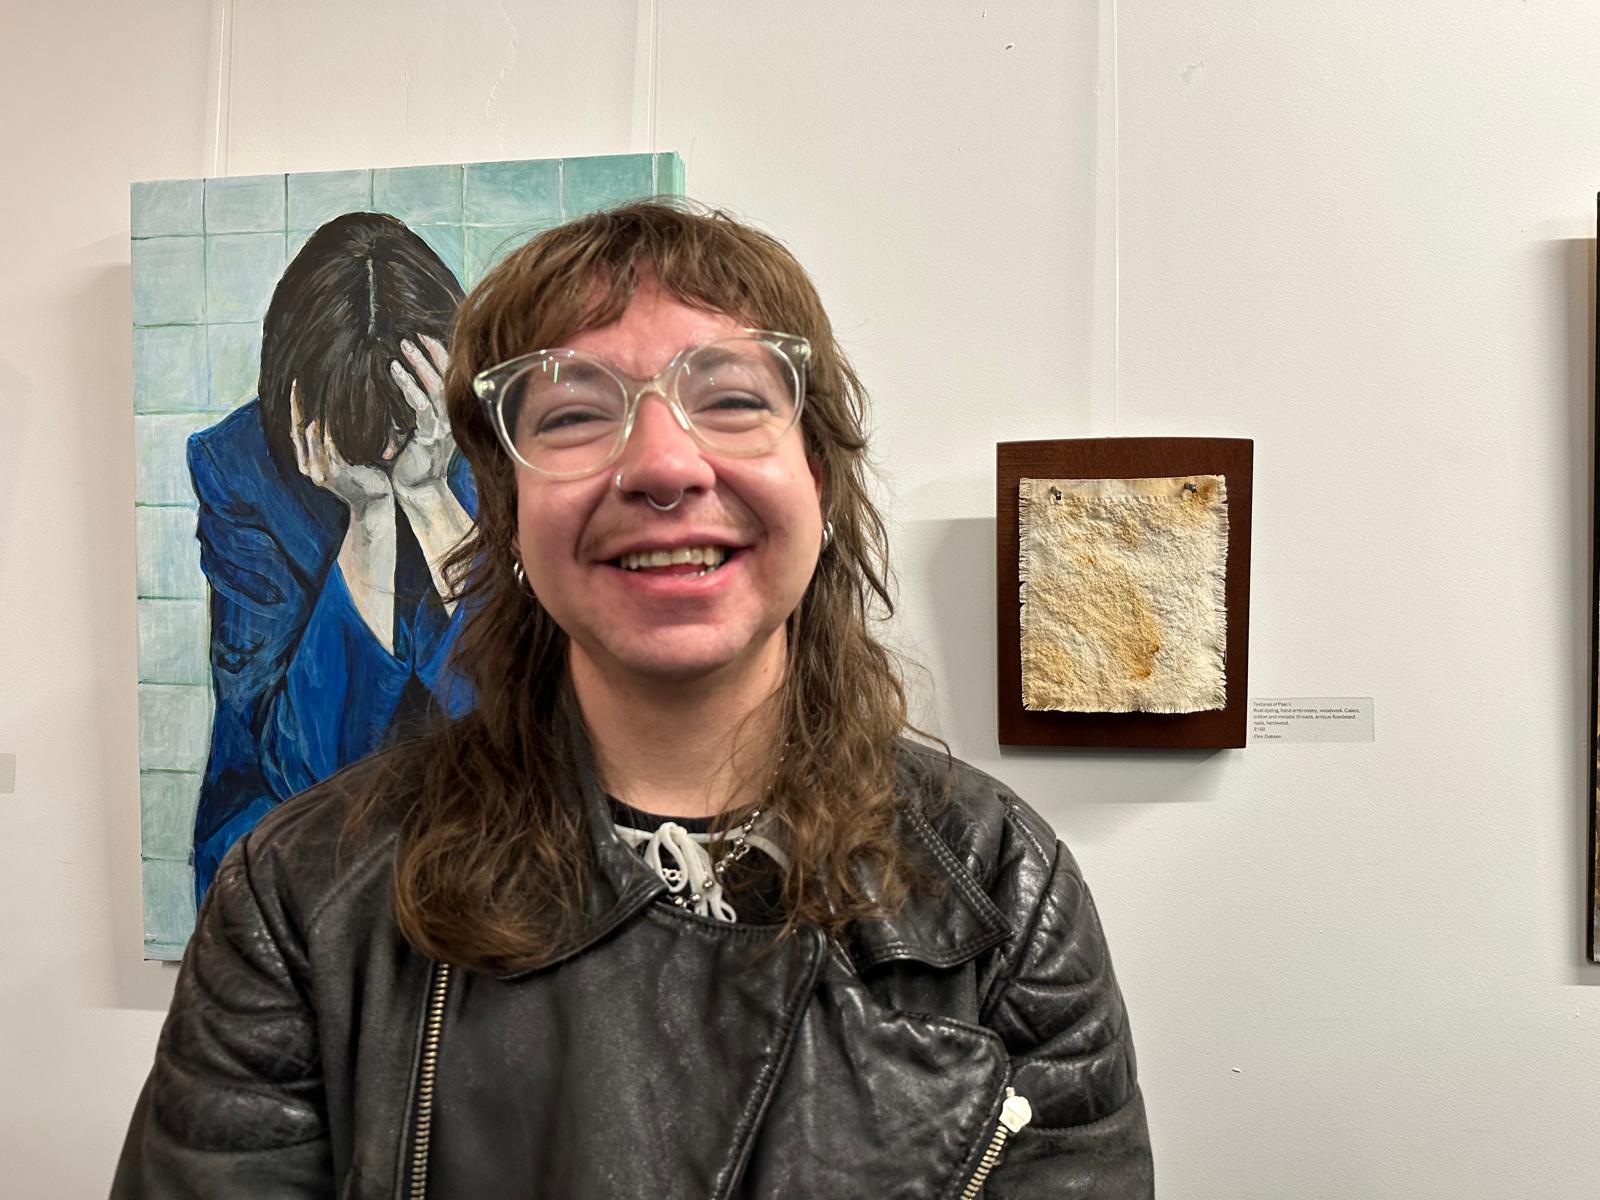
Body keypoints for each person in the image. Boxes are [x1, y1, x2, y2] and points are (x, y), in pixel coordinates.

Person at [115, 200, 1153, 1197]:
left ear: (821, 482)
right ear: (507, 512)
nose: (663, 463)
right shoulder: (296, 903)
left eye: (735, 399)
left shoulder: (1003, 890)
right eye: (573, 413)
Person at [187, 213, 476, 903]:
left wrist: (431, 497)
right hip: (296, 853)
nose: (383, 450)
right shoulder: (239, 470)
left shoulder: (506, 440)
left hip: (474, 842)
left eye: (404, 420)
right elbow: (299, 766)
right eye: (355, 429)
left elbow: (531, 721)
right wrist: (369, 522)